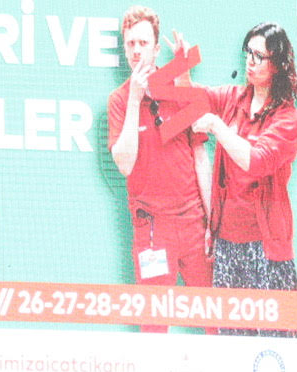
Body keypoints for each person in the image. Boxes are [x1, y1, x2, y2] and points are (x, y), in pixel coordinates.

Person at [107, 6, 210, 332]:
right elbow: (124, 164)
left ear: (155, 48)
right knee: (153, 327)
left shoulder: (178, 88)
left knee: (217, 319)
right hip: (152, 230)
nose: (136, 50)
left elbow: (200, 158)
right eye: (130, 44)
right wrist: (135, 100)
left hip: (194, 224)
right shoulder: (119, 100)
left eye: (143, 43)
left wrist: (213, 221)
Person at [196, 22, 297, 320]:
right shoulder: (232, 98)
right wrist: (180, 71)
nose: (250, 61)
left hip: (266, 248)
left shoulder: (287, 118)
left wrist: (217, 126)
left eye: (259, 56)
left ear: (278, 64)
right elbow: (195, 96)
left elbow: (256, 161)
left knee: (275, 335)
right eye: (248, 53)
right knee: (231, 333)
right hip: (227, 243)